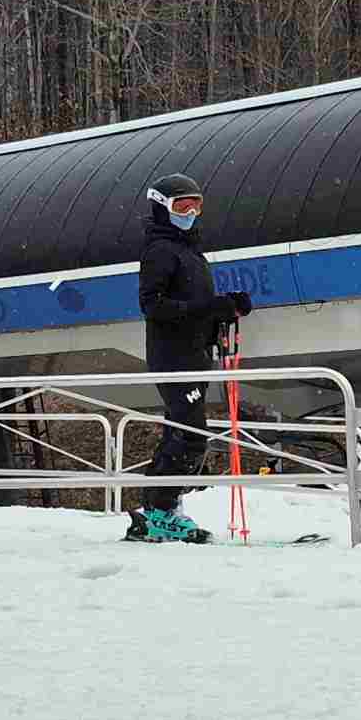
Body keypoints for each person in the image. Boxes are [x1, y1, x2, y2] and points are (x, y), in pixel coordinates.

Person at [132, 169, 248, 544]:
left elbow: (195, 306)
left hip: (194, 354)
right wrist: (209, 308)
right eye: (182, 206)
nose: (191, 214)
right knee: (190, 435)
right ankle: (160, 510)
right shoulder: (161, 250)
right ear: (163, 208)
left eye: (197, 207)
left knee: (183, 432)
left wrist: (225, 310)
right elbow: (154, 306)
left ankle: (159, 509)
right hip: (174, 357)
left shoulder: (189, 252)